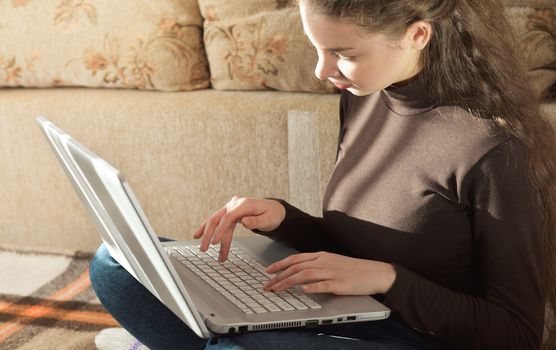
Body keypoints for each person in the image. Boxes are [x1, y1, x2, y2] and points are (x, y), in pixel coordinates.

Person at [89, 0, 556, 349]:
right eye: (317, 48)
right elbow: (357, 248)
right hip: (347, 315)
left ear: (418, 34)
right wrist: (283, 220)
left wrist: (390, 281)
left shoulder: (495, 149)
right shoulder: (364, 94)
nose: (321, 70)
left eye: (343, 53)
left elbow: (516, 332)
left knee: (248, 345)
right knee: (114, 266)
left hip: (421, 337)